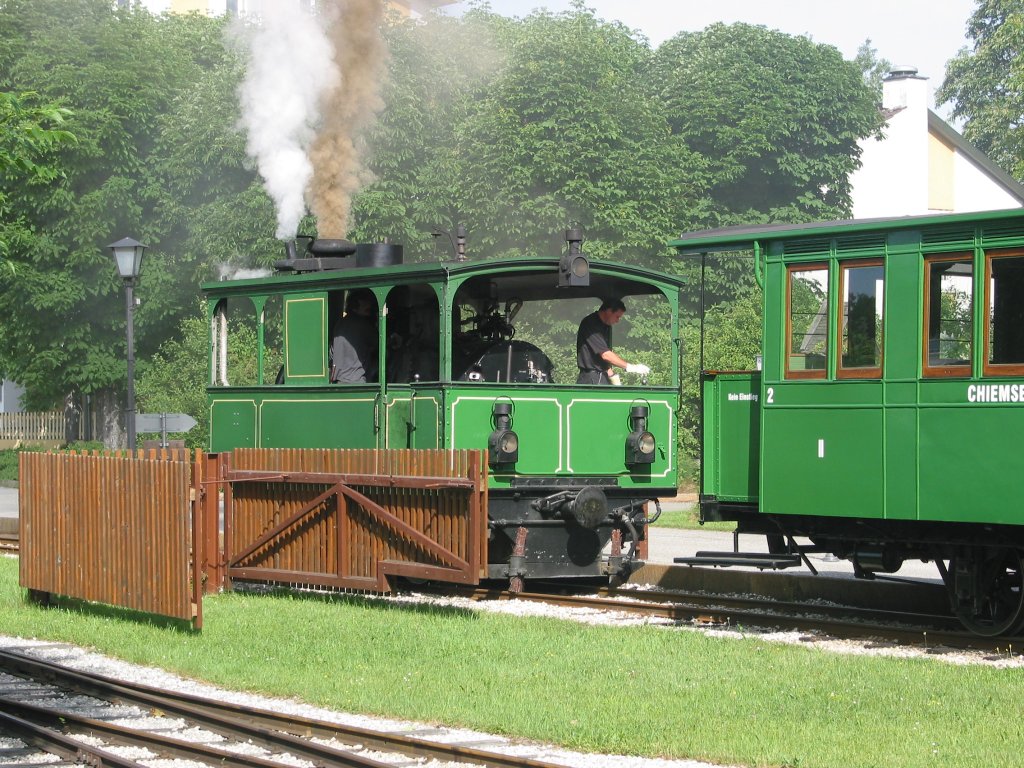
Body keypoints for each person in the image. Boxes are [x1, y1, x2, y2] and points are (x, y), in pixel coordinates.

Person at [575, 298, 650, 385]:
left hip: (601, 375)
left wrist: (612, 376)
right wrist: (631, 367)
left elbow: (600, 358)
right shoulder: (591, 324)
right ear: (609, 311)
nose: (618, 321)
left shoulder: (605, 326)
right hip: (591, 379)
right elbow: (605, 354)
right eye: (617, 316)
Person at [330, 288, 378, 383]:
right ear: (355, 305)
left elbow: (332, 352)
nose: (369, 305)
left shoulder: (340, 323)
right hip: (357, 380)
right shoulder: (363, 325)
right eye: (365, 302)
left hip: (339, 380)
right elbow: (379, 344)